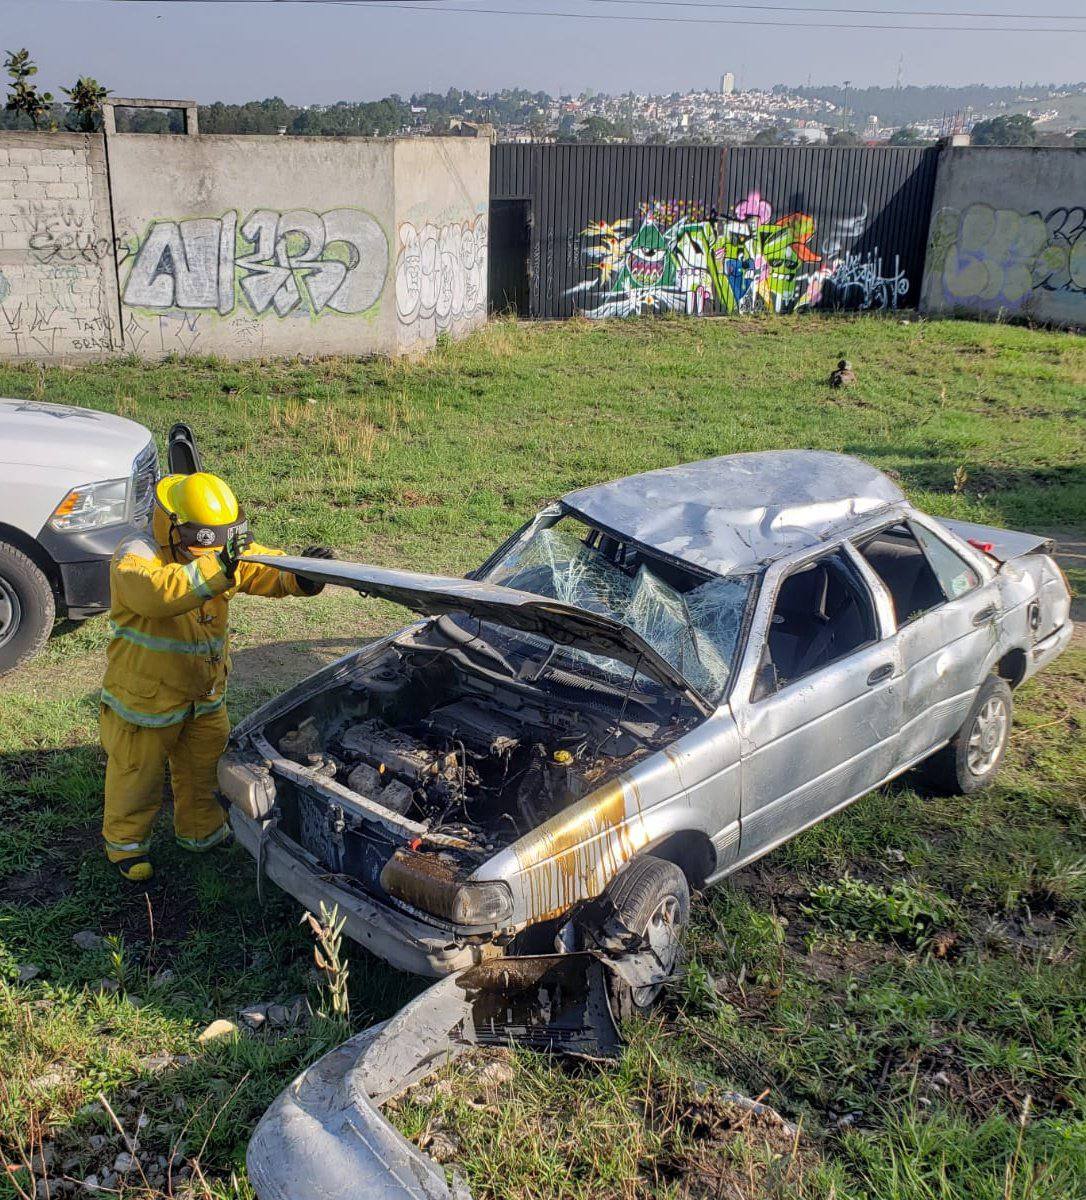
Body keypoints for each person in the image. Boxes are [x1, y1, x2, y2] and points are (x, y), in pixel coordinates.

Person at [100, 470, 332, 882]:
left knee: (204, 768)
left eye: (217, 542)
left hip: (203, 695)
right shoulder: (136, 555)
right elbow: (158, 593)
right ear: (170, 526)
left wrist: (300, 576)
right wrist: (219, 567)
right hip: (145, 701)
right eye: (198, 543)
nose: (204, 551)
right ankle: (126, 845)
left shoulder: (216, 552)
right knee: (137, 775)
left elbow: (256, 568)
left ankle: (202, 833)